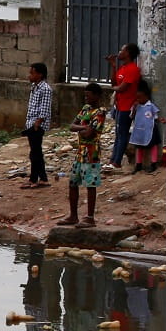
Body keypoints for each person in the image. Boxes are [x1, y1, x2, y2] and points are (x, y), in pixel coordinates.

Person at [61, 83, 108, 228]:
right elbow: (72, 126)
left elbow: (89, 133)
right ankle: (73, 215)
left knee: (90, 184)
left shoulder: (100, 112)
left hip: (91, 152)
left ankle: (90, 217)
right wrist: (83, 127)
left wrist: (81, 129)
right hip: (81, 151)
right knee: (73, 183)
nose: (86, 97)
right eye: (85, 95)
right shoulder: (85, 109)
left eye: (89, 95)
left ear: (97, 96)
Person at [106, 43, 141, 167]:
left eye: (122, 50)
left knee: (122, 133)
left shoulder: (133, 69)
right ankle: (113, 160)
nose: (119, 52)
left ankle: (117, 161)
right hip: (119, 105)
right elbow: (114, 83)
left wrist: (115, 89)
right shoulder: (122, 68)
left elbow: (121, 88)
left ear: (128, 53)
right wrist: (113, 66)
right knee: (118, 134)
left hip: (127, 106)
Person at [21, 62, 54, 188]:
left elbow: (44, 109)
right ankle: (39, 178)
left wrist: (37, 124)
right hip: (31, 123)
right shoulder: (35, 87)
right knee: (35, 153)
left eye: (32, 73)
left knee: (35, 153)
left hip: (36, 125)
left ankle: (36, 179)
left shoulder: (45, 89)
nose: (29, 76)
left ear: (39, 75)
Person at [129, 82, 164, 174]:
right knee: (139, 147)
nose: (138, 100)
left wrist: (161, 120)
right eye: (137, 98)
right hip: (139, 130)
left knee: (153, 146)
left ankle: (153, 164)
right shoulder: (136, 106)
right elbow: (132, 117)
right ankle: (138, 164)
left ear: (146, 97)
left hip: (150, 129)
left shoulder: (151, 106)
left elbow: (156, 118)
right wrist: (134, 109)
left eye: (140, 97)